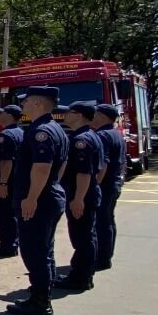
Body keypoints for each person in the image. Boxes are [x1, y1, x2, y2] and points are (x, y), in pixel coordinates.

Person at [7, 86, 69, 315]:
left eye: (26, 102)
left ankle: (40, 302)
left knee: (34, 251)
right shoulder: (56, 129)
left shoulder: (40, 131)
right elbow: (60, 166)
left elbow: (42, 168)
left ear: (38, 103)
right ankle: (41, 295)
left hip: (40, 201)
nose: (22, 105)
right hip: (50, 196)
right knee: (45, 250)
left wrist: (32, 197)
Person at [56, 100, 103, 292]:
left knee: (82, 238)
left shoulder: (81, 140)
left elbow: (84, 173)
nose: (64, 115)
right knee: (85, 236)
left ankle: (82, 278)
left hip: (80, 195)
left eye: (69, 112)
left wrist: (78, 199)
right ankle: (82, 274)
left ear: (79, 115)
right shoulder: (89, 136)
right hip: (86, 193)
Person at [0, 105, 25, 257]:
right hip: (16, 181)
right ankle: (13, 242)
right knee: (12, 213)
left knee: (4, 214)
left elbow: (6, 161)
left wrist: (2, 183)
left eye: (1, 113)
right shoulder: (20, 132)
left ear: (9, 116)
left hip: (6, 182)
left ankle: (7, 245)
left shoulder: (6, 135)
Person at [91, 103, 126, 269]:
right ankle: (106, 256)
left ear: (103, 117)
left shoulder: (103, 135)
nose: (93, 116)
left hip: (104, 185)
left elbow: (102, 165)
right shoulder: (116, 133)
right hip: (114, 183)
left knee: (101, 223)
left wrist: (94, 185)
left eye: (96, 113)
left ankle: (102, 258)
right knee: (108, 221)